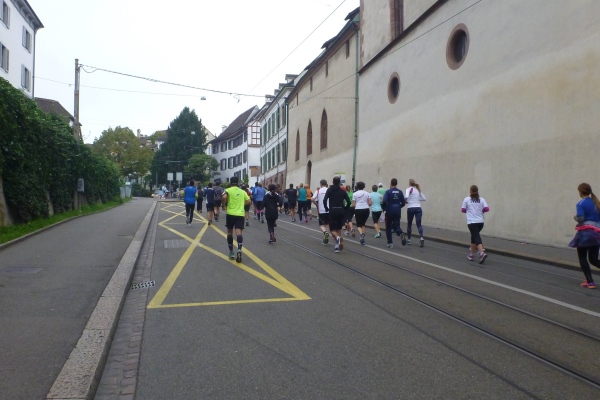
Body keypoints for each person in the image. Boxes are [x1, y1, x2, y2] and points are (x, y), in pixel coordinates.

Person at [568, 183, 600, 289]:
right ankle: (589, 281)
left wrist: (575, 218)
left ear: (580, 192)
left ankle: (590, 282)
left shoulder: (581, 203)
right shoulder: (596, 202)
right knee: (593, 259)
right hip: (597, 233)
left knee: (582, 258)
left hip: (585, 234)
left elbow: (581, 219)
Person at [222, 176, 251, 263]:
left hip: (230, 213)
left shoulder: (228, 190)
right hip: (240, 214)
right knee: (239, 232)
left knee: (229, 232)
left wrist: (223, 205)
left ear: (230, 183)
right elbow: (249, 201)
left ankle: (231, 252)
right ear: (238, 183)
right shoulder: (242, 191)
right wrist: (242, 204)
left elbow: (224, 197)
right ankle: (239, 250)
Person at [461, 185, 489, 264]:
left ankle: (481, 253)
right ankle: (471, 255)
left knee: (476, 237)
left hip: (472, 222)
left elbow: (463, 210)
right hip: (480, 222)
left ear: (470, 191)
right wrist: (480, 211)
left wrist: (470, 211)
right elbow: (487, 209)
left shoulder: (467, 199)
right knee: (474, 237)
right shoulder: (481, 199)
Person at [323, 176, 351, 253]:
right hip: (340, 211)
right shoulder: (342, 191)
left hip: (332, 211)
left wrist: (326, 208)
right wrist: (345, 208)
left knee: (332, 230)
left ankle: (338, 238)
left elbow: (324, 200)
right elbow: (348, 202)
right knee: (338, 228)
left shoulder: (329, 190)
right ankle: (337, 246)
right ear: (339, 182)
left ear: (333, 182)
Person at [383, 178, 406, 248]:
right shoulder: (400, 192)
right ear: (396, 183)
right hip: (397, 211)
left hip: (389, 211)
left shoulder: (388, 192)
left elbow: (384, 201)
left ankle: (390, 243)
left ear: (391, 183)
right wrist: (399, 207)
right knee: (397, 225)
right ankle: (401, 233)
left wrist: (384, 208)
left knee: (388, 227)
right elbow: (403, 202)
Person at [405, 178, 427, 247]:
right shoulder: (418, 190)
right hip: (418, 208)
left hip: (410, 208)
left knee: (409, 224)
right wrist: (417, 199)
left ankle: (409, 240)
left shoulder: (408, 189)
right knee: (419, 224)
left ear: (409, 183)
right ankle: (421, 238)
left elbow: (406, 196)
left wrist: (406, 201)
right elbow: (424, 198)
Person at [312, 179, 330, 245]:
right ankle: (326, 239)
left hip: (321, 210)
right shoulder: (329, 190)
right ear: (326, 184)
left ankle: (325, 232)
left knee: (322, 225)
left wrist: (316, 204)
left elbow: (312, 199)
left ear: (320, 184)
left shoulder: (318, 190)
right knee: (327, 224)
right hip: (328, 210)